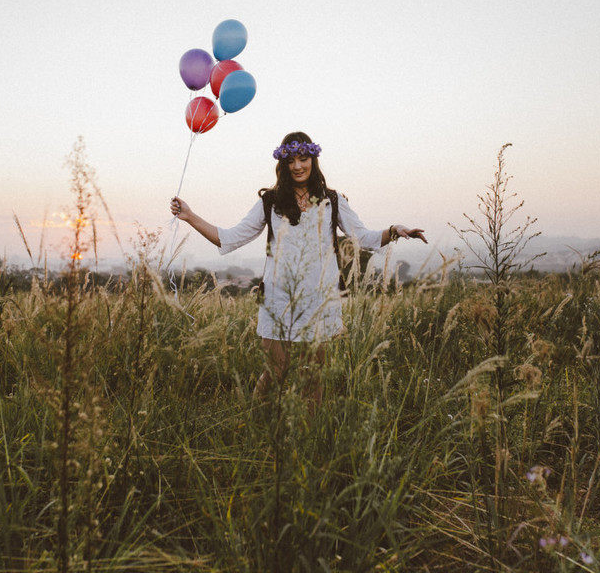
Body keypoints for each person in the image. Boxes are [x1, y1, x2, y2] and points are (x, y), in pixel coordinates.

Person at [170, 131, 426, 409]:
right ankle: (256, 425)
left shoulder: (333, 200)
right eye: (291, 160)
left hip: (320, 301)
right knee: (275, 373)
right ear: (283, 164)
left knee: (312, 379)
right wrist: (190, 216)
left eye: (303, 159)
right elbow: (229, 238)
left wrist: (396, 230)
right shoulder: (270, 202)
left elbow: (363, 237)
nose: (297, 166)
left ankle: (310, 437)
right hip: (278, 300)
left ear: (313, 160)